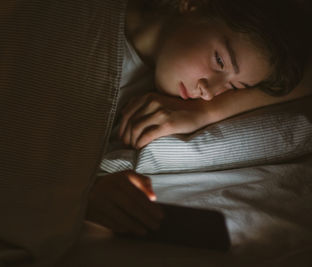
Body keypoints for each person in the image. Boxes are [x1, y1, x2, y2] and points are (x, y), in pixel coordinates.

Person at [86, 0, 312, 236]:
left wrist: (208, 112)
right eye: (220, 61)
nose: (208, 92)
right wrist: (84, 196)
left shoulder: (172, 82)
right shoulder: (86, 31)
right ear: (193, 5)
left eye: (234, 88)